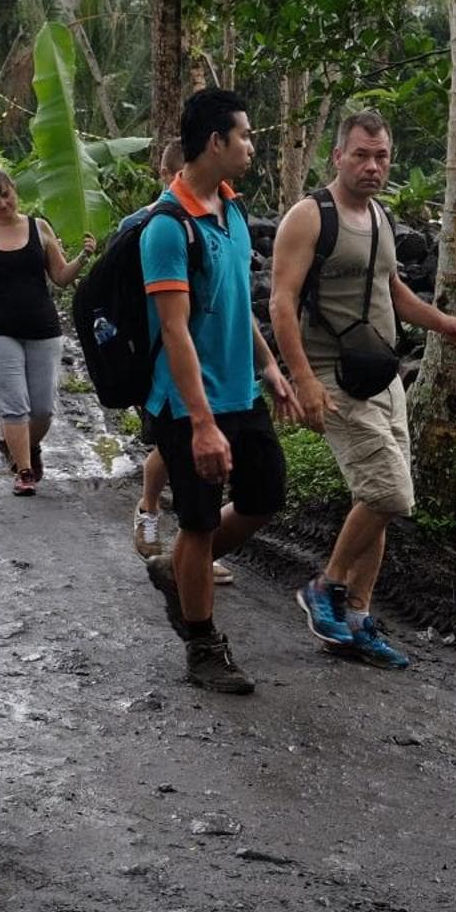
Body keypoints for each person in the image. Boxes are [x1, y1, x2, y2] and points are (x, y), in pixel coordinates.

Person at [269, 110, 456, 668]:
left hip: (382, 376)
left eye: (381, 156)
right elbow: (281, 303)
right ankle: (326, 587)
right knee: (390, 494)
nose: (372, 166)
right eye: (361, 155)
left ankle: (357, 618)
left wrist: (447, 325)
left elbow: (393, 290)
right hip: (333, 378)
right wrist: (303, 381)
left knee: (377, 500)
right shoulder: (309, 217)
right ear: (338, 156)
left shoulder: (381, 217)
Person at [140, 88, 301, 694]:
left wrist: (269, 367)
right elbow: (175, 330)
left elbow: (234, 302)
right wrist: (202, 423)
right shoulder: (167, 228)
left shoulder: (231, 210)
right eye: (246, 135)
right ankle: (203, 646)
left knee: (265, 494)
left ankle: (179, 568)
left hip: (240, 392)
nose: (252, 146)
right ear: (216, 142)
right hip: (189, 405)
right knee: (200, 521)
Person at [126, 139, 231, 586]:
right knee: (173, 448)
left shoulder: (219, 218)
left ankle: (193, 551)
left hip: (210, 360)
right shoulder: (148, 225)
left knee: (197, 456)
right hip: (161, 361)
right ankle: (151, 511)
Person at [0, 167, 85, 496]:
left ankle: (28, 447)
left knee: (43, 409)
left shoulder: (39, 227)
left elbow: (60, 276)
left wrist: (84, 257)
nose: (2, 204)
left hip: (42, 326)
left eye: (6, 195)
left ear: (14, 190)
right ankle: (23, 471)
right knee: (14, 405)